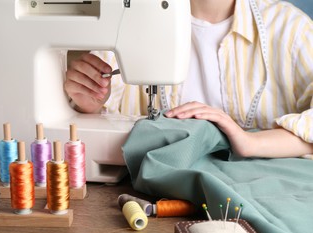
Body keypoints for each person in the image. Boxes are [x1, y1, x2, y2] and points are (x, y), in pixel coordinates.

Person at [64, 0, 313, 159]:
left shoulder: (291, 30)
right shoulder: (129, 22)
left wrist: (251, 142)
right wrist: (91, 102)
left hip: (268, 192)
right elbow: (95, 103)